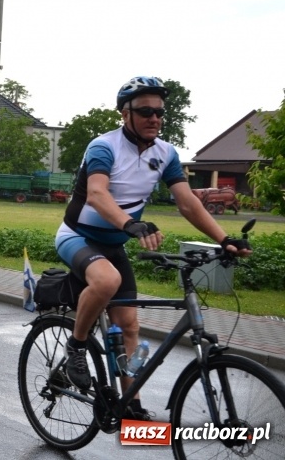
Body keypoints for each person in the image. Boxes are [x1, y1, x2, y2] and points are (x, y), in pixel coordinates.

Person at [56, 76, 252, 419]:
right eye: (145, 111)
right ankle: (77, 345)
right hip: (78, 236)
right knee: (105, 281)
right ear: (124, 113)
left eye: (160, 112)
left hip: (115, 244)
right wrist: (130, 223)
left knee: (129, 326)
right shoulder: (104, 146)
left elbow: (188, 203)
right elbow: (98, 193)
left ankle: (130, 401)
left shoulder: (166, 154)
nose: (155, 118)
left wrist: (224, 239)